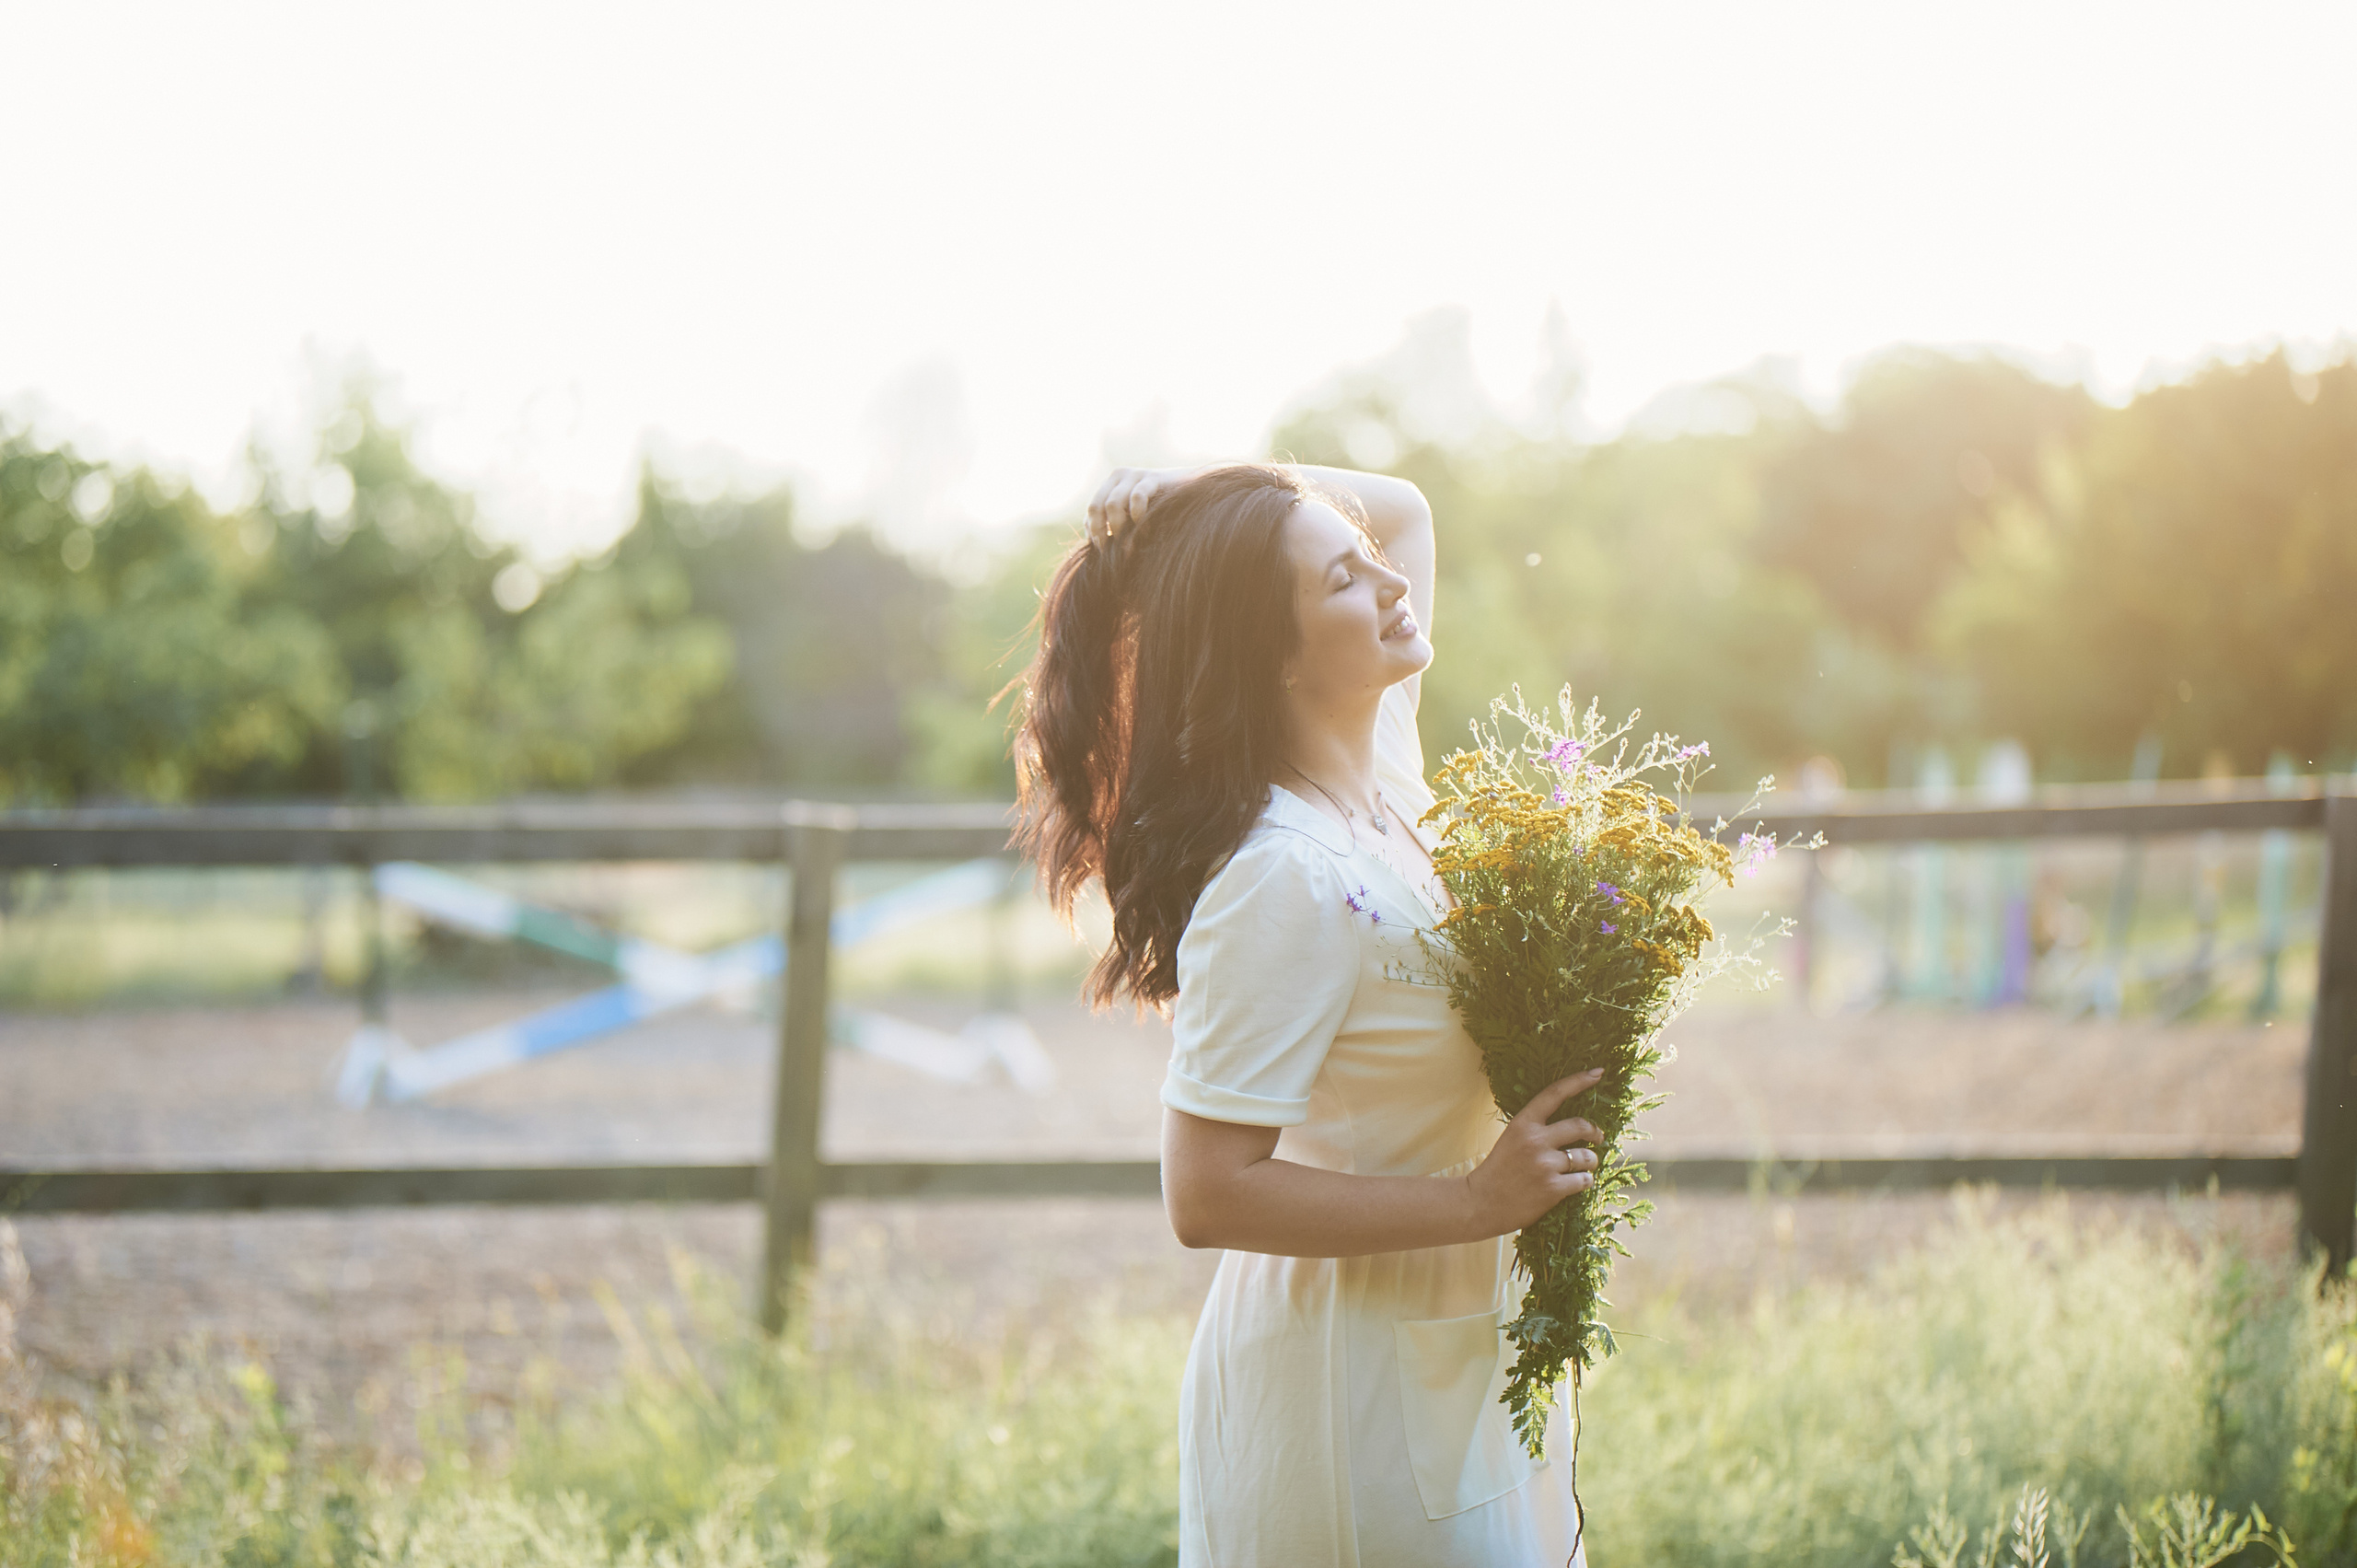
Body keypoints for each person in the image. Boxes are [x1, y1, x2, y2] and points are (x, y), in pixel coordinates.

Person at [1013, 462, 1602, 1568]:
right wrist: (1480, 1198)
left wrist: (1181, 495)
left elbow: (1411, 507)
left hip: (1461, 1349)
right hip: (1348, 1393)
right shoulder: (1279, 871)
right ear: (1276, 655)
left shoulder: (1383, 778)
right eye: (1343, 575)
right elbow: (1205, 1189)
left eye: (1368, 557)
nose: (1389, 577)